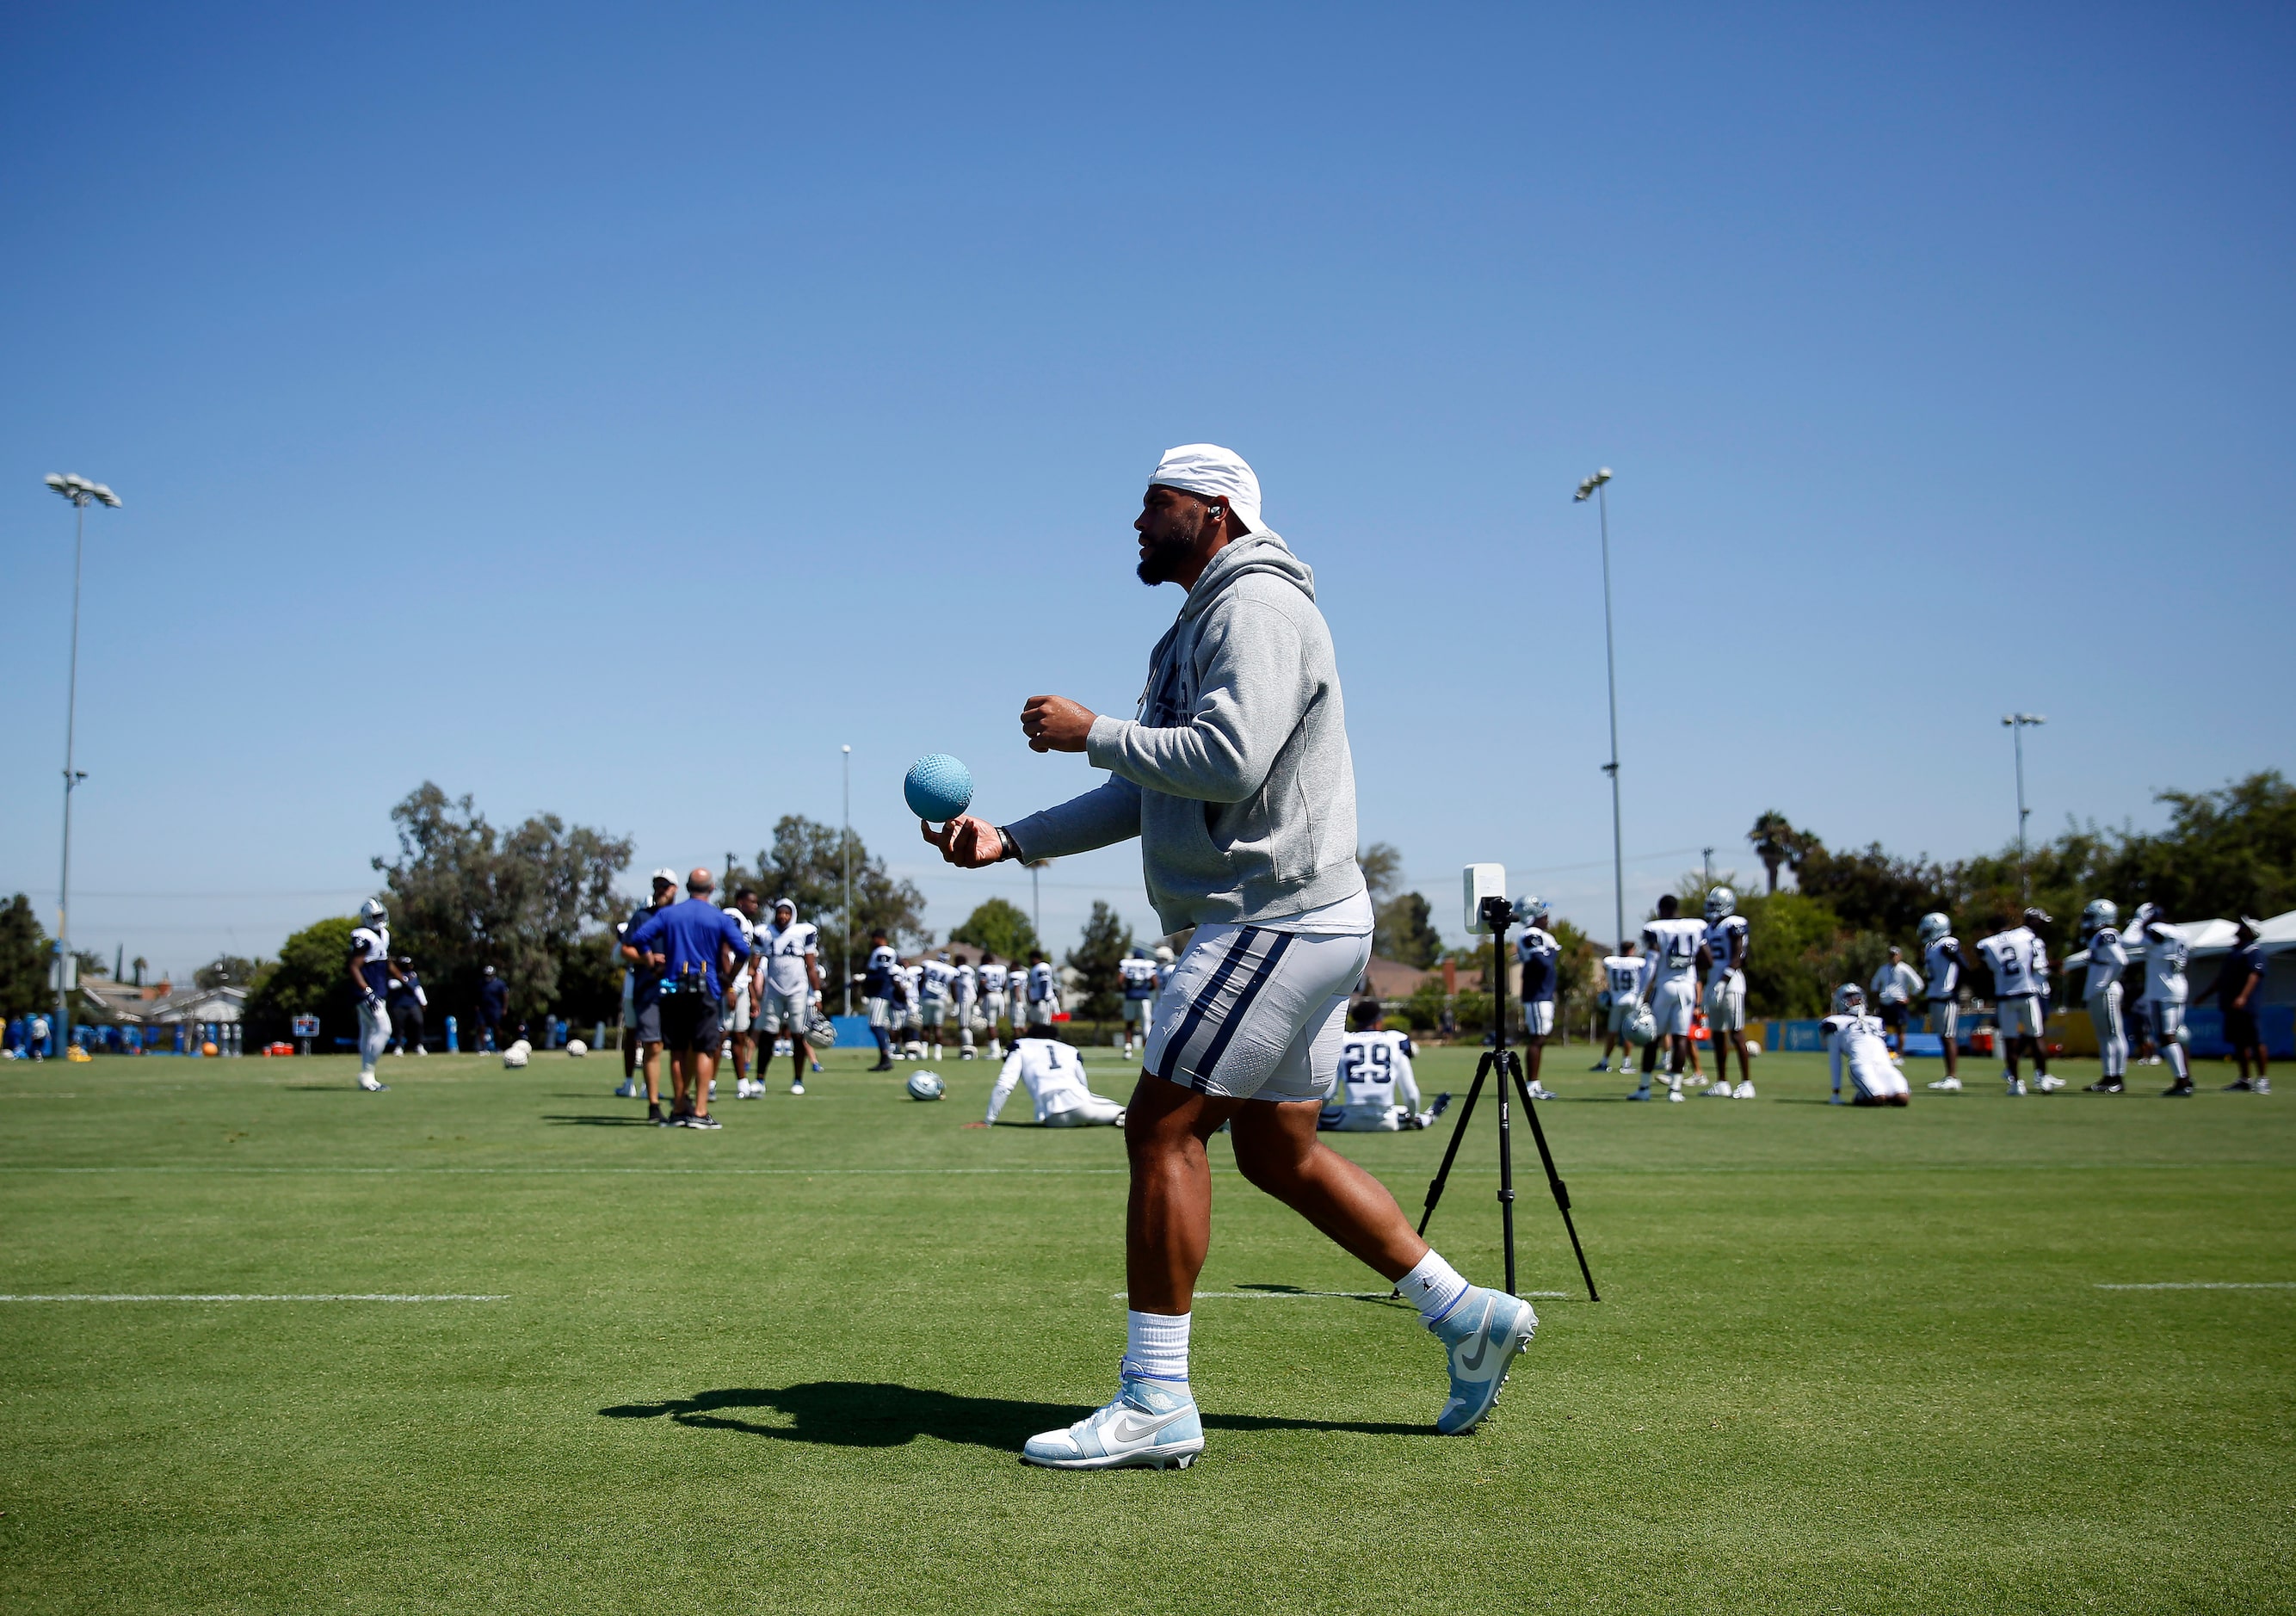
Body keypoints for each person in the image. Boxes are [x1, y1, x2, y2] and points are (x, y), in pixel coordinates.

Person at [926, 442, 1534, 1470]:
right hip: (1310, 916)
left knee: (1162, 1128)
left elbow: (1227, 758)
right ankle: (1463, 1311)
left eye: (1153, 503)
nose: (1134, 521)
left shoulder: (1251, 607)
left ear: (1211, 511)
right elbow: (1153, 786)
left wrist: (1094, 729)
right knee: (1274, 1152)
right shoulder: (1205, 618)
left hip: (1270, 915)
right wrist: (1015, 838)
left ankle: (1155, 1397)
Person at [622, 867, 750, 1128]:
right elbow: (743, 950)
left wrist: (651, 962)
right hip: (705, 988)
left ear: (687, 887)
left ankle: (680, 1108)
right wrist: (728, 979)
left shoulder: (669, 914)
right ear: (712, 888)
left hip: (672, 987)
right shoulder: (718, 917)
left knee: (678, 1050)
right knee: (703, 1049)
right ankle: (700, 1112)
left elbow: (639, 938)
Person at [970, 1019, 1128, 1129]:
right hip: (1082, 1106)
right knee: (1129, 1114)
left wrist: (989, 1120)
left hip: (1053, 1117)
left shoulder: (1020, 1045)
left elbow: (1005, 1084)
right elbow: (1083, 1085)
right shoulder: (1069, 1049)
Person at [1975, 908, 2059, 1095]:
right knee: (2036, 1036)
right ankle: (2043, 1078)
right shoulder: (2023, 936)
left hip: (2005, 996)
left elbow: (1983, 960)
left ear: (1990, 929)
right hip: (2028, 993)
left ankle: (2016, 1083)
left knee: (2010, 1041)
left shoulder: (1985, 944)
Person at [1320, 1002, 1442, 1130]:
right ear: (1377, 1021)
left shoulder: (1344, 1040)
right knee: (1408, 1114)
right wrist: (1412, 1116)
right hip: (1386, 1120)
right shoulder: (1394, 1040)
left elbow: (1328, 1094)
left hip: (1349, 1120)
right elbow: (1411, 1095)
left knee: (1315, 1116)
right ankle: (1426, 1118)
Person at [1631, 895, 1704, 1101]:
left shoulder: (1657, 929)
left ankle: (1644, 1088)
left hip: (1666, 985)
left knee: (1653, 1037)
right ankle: (1675, 1089)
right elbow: (1706, 957)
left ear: (1661, 909)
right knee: (1681, 1038)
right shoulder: (1695, 926)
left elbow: (1652, 962)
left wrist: (1641, 994)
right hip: (1688, 986)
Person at [753, 897, 822, 1095]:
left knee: (798, 1035)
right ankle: (760, 1078)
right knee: (768, 1034)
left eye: (787, 912)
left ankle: (798, 1079)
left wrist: (817, 993)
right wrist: (752, 991)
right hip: (773, 990)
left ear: (793, 914)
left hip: (798, 989)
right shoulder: (764, 932)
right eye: (780, 912)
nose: (783, 916)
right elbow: (755, 964)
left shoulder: (803, 932)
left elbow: (811, 966)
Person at [2131, 903, 2194, 1096]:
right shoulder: (2181, 932)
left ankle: (2182, 1081)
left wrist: (2137, 920)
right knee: (2178, 1034)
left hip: (2162, 989)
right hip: (2179, 985)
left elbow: (2127, 941)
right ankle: (2187, 1077)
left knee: (2166, 1036)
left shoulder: (2156, 929)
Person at [1700, 886, 1753, 1096]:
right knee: (1718, 1034)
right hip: (1715, 982)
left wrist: (1722, 981)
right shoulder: (1710, 928)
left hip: (1731, 984)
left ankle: (1747, 1083)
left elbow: (1738, 956)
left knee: (1736, 1033)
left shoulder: (1735, 924)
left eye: (1715, 904)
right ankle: (1722, 1082)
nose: (1711, 908)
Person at [2211, 918, 2271, 1094]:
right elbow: (2222, 979)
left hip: (2248, 1005)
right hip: (2231, 1004)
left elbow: (2255, 975)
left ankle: (2263, 1079)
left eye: (2243, 927)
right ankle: (2245, 1079)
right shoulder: (2235, 952)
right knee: (2239, 1043)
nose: (2239, 928)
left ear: (2250, 932)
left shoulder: (2253, 951)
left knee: (2256, 1040)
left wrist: (2243, 997)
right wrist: (2205, 995)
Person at [1824, 983, 1910, 1106]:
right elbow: (1835, 1059)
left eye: (1857, 998)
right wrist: (1836, 1093)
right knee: (1878, 1098)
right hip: (1861, 1064)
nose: (1855, 1001)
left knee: (1902, 1098)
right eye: (1850, 998)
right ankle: (1861, 1096)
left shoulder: (1876, 1021)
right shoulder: (1835, 1022)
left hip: (1885, 1065)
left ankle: (1880, 1092)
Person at [2078, 899, 2131, 1094]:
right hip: (2097, 991)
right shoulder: (2097, 938)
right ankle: (2108, 1076)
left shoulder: (2106, 935)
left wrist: (2107, 983)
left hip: (2106, 992)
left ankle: (2117, 1077)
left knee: (2113, 1035)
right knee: (2104, 1037)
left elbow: (2121, 960)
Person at [346, 898, 398, 1091]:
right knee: (384, 1030)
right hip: (367, 993)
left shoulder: (384, 934)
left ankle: (367, 1078)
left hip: (378, 991)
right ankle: (367, 1074)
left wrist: (403, 979)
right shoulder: (362, 936)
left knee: (368, 1034)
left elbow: (386, 961)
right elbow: (354, 966)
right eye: (375, 917)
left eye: (380, 916)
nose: (379, 920)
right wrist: (367, 990)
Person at [1513, 896, 1559, 1101]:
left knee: (1541, 1037)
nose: (1547, 918)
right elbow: (1544, 962)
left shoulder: (1541, 935)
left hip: (1543, 993)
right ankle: (1531, 1085)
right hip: (1537, 994)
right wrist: (1551, 951)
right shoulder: (1531, 934)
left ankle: (1534, 1084)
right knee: (1538, 1038)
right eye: (1543, 914)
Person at [1918, 912, 1966, 1092]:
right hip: (1936, 995)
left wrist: (1955, 989)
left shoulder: (1948, 943)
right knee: (1943, 1037)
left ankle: (1953, 1076)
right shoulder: (1931, 946)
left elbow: (1962, 965)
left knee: (1948, 1036)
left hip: (1946, 997)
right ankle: (1948, 1075)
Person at [724, 889, 762, 1098]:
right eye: (751, 902)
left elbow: (746, 964)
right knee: (720, 1036)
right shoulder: (732, 916)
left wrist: (752, 995)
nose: (755, 906)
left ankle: (742, 1085)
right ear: (740, 902)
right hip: (726, 985)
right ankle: (709, 1084)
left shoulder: (747, 923)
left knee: (740, 1035)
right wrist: (728, 985)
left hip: (739, 984)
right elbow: (723, 950)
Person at [1590, 941, 1640, 1076]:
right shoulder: (1638, 962)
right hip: (1632, 1000)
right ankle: (1626, 1063)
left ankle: (1605, 1062)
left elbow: (1606, 970)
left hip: (1616, 1000)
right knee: (1628, 1032)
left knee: (1612, 1033)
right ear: (1631, 950)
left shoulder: (1611, 961)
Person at [1867, 946, 1923, 1061]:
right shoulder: (1883, 969)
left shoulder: (1904, 969)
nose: (1893, 958)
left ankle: (1900, 1055)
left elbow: (1918, 984)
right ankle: (1882, 1053)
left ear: (1900, 956)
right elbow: (1874, 984)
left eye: (1895, 955)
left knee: (1899, 1030)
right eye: (1891, 955)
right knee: (1881, 1029)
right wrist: (1877, 997)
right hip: (1884, 1002)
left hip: (1898, 1002)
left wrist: (1909, 998)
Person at [861, 928, 898, 1071]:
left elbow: (882, 975)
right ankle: (884, 1057)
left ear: (878, 938)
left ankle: (885, 1057)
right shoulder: (886, 951)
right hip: (879, 993)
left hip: (880, 993)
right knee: (876, 1025)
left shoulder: (883, 951)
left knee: (876, 1025)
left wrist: (865, 979)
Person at [1119, 946, 1161, 1060]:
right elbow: (1155, 982)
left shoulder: (1127, 964)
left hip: (1130, 997)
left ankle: (1128, 1050)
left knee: (1129, 1024)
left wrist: (1126, 990)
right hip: (1143, 998)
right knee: (1146, 1024)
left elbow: (1120, 980)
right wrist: (1148, 989)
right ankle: (1149, 1052)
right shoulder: (1148, 965)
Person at [386, 955, 428, 1057]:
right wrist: (404, 980)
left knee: (418, 1023)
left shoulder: (413, 975)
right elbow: (392, 985)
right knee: (399, 1027)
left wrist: (423, 1002)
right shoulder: (394, 976)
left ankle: (419, 1045)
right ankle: (399, 1047)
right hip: (398, 1005)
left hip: (413, 1005)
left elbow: (417, 988)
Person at [920, 949, 959, 1057]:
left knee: (926, 1026)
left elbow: (922, 978)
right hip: (940, 999)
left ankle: (924, 1051)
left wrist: (919, 993)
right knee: (938, 1027)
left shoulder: (929, 964)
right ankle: (938, 1053)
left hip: (927, 997)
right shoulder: (951, 970)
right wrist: (956, 1002)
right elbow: (953, 986)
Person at [976, 951, 1010, 1059]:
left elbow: (983, 984)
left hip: (989, 995)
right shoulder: (1002, 968)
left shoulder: (983, 969)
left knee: (990, 1024)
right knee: (994, 1023)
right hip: (999, 995)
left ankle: (995, 1050)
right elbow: (1005, 984)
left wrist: (978, 998)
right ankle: (996, 1049)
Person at [949, 952, 980, 1060]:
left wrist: (956, 1000)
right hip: (972, 998)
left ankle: (968, 1049)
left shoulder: (961, 970)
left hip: (965, 999)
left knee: (964, 1025)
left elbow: (956, 984)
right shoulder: (970, 970)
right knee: (967, 1025)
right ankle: (968, 1048)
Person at [1023, 947, 1059, 1030]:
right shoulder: (1035, 969)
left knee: (1044, 1026)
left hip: (1043, 1001)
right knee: (1037, 1025)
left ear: (1035, 958)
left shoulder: (1042, 967)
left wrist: (1042, 999)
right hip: (1036, 1002)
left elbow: (1044, 982)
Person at [477, 965, 509, 1055]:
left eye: (490, 975)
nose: (488, 976)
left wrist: (504, 1008)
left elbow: (505, 996)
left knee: (497, 1028)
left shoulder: (500, 984)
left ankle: (498, 1048)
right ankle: (483, 1048)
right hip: (483, 1009)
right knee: (481, 1027)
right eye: (486, 975)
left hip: (495, 1009)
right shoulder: (481, 983)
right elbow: (477, 995)